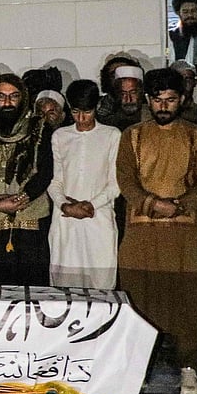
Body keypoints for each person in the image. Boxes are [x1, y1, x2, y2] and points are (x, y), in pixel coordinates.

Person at [116, 68, 197, 394]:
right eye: (157, 100)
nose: (163, 106)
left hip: (183, 231)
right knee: (139, 298)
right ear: (148, 100)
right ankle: (138, 367)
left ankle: (188, 369)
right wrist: (150, 203)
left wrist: (181, 205)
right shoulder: (132, 135)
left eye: (170, 100)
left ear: (182, 100)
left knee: (187, 300)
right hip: (141, 231)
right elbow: (126, 181)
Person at [0, 73, 54, 286]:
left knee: (31, 285)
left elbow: (46, 171)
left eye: (13, 96)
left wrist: (23, 198)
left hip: (31, 213)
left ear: (23, 99)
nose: (7, 103)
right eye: (1, 97)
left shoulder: (39, 129)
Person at [47, 80, 121, 289]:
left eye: (86, 112)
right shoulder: (60, 136)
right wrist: (65, 205)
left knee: (100, 282)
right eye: (75, 112)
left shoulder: (111, 134)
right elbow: (55, 181)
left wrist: (90, 205)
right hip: (65, 219)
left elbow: (115, 184)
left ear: (97, 106)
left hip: (98, 217)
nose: (81, 118)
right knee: (64, 281)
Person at [98, 63, 147, 131]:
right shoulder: (106, 122)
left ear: (142, 91)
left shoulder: (152, 117)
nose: (128, 99)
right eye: (123, 94)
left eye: (133, 93)